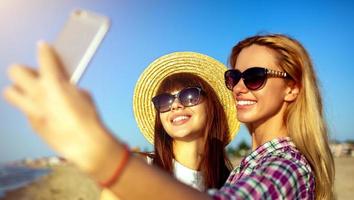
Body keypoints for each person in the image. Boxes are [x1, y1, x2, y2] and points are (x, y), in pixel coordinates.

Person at [4, 33, 334, 200]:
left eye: (256, 76)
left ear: (292, 88)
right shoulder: (244, 170)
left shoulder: (285, 165)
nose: (241, 87)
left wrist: (102, 154)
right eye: (234, 78)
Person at [100, 52, 240, 200]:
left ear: (211, 106)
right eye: (164, 100)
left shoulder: (230, 182)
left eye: (189, 95)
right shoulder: (136, 171)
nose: (176, 106)